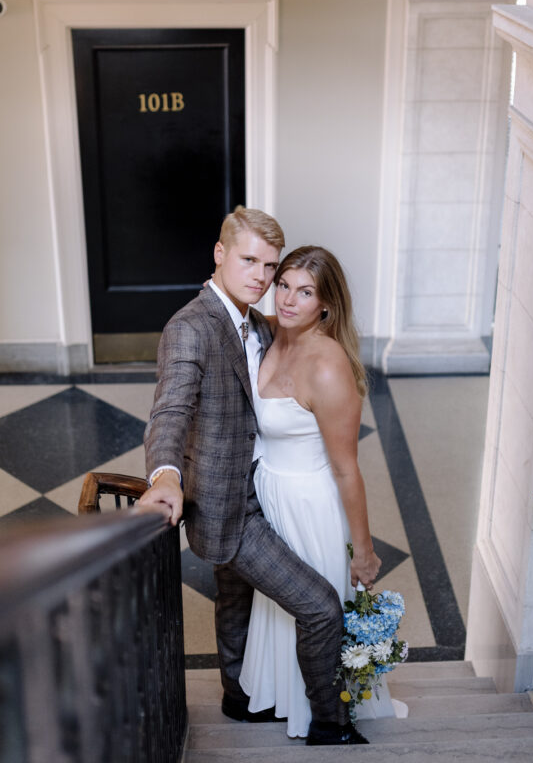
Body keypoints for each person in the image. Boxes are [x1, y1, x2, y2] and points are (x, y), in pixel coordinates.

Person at [138, 208, 376, 746]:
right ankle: (330, 726)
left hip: (273, 493)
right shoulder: (191, 328)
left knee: (237, 599)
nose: (264, 279)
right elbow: (170, 411)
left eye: (271, 266)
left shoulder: (261, 324)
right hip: (230, 503)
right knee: (317, 606)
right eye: (251, 261)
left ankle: (238, 698)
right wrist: (166, 476)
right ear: (220, 255)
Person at [238, 245, 392, 738]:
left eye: (305, 292)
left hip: (310, 506)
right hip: (271, 497)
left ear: (324, 305)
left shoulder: (327, 366)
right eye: (283, 284)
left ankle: (323, 713)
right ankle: (283, 695)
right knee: (283, 608)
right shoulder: (271, 334)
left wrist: (363, 553)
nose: (287, 299)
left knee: (312, 610)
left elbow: (348, 470)